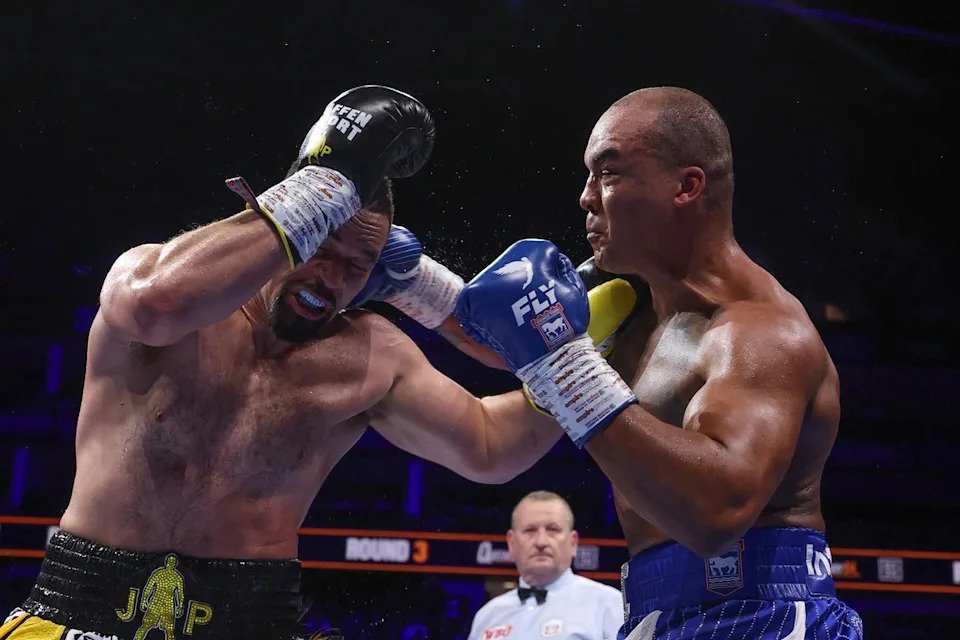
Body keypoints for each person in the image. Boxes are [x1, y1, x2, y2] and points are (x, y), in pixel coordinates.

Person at [0, 85, 569, 640]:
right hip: (79, 611)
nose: (333, 275)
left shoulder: (369, 353)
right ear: (293, 227)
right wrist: (319, 187)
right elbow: (153, 306)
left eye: (359, 264)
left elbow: (491, 447)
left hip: (254, 621)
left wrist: (574, 361)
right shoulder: (163, 283)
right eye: (323, 245)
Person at [455, 87, 863, 639]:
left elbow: (715, 513)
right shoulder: (631, 308)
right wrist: (406, 278)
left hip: (761, 613)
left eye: (609, 173)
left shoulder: (760, 332)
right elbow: (499, 338)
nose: (585, 198)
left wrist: (564, 367)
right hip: (652, 612)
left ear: (687, 186)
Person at [467, 491, 623, 640]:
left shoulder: (608, 604)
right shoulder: (488, 616)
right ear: (511, 542)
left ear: (573, 542)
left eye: (553, 530)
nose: (541, 542)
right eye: (530, 530)